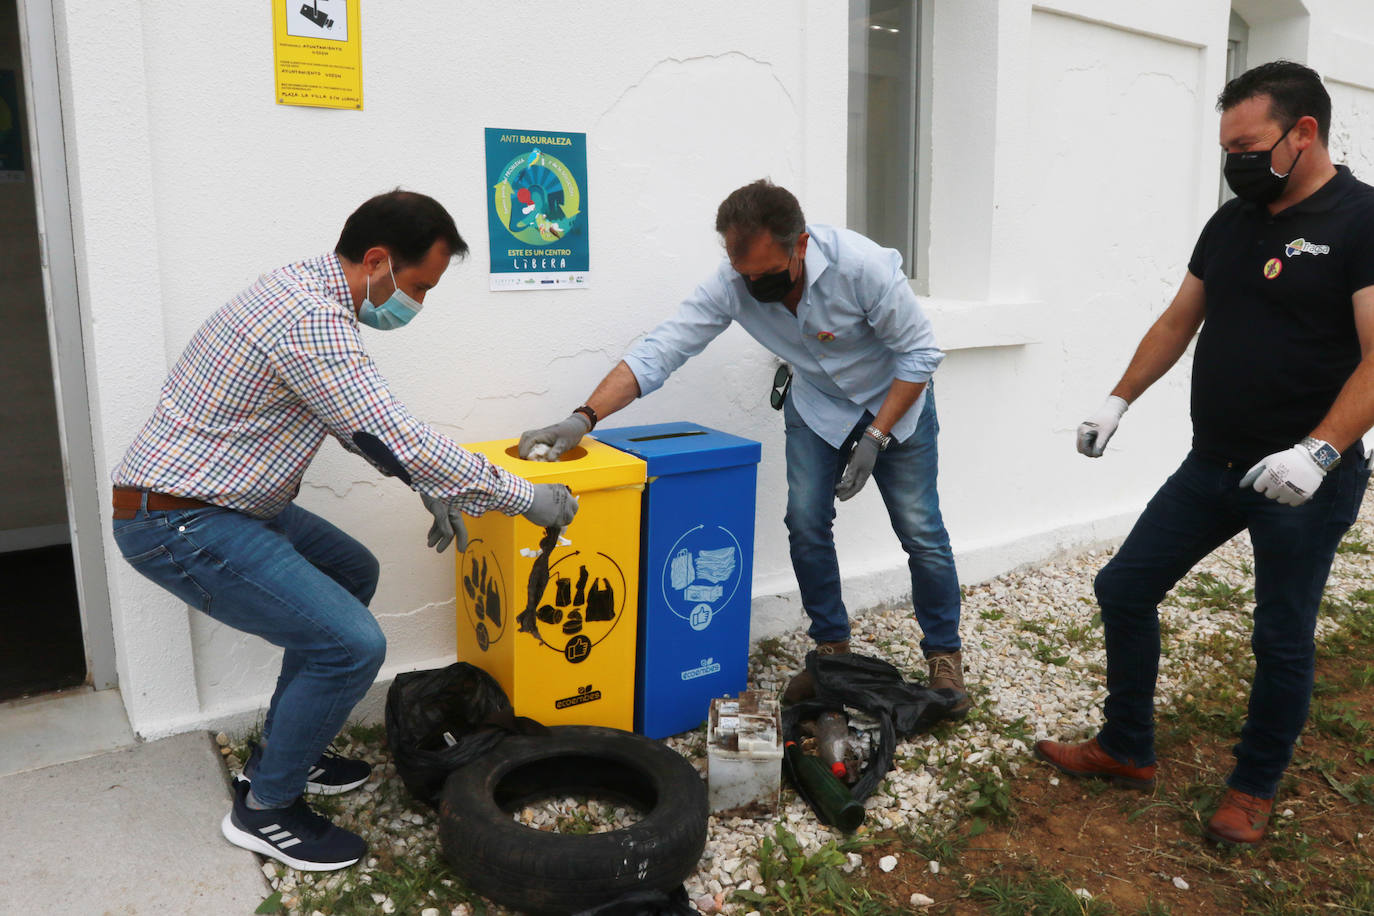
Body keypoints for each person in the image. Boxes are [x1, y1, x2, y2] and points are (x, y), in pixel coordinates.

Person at [110, 190, 578, 871]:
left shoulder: (306, 293)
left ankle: (284, 751)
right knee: (352, 644)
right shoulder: (310, 320)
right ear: (378, 260)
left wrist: (430, 486)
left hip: (222, 502)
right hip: (177, 517)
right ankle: (265, 808)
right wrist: (524, 498)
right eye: (418, 287)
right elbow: (396, 434)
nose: (417, 304)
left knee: (351, 571)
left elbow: (357, 427)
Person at [1037, 61, 1374, 846]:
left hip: (1303, 478)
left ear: (1305, 132)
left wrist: (1319, 452)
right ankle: (1126, 747)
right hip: (1213, 465)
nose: (1236, 163)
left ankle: (1252, 787)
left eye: (1248, 145)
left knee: (1280, 635)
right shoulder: (1231, 224)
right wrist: (1117, 398)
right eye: (1226, 149)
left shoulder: (1361, 221)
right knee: (1124, 587)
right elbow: (1176, 320)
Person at [518, 179, 968, 713]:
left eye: (766, 273)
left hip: (896, 400)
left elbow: (920, 355)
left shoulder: (862, 267)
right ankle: (831, 653)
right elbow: (662, 350)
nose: (754, 284)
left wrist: (876, 435)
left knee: (920, 530)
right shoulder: (734, 280)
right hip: (819, 406)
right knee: (805, 524)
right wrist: (583, 417)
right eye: (744, 273)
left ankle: (944, 656)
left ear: (799, 245)